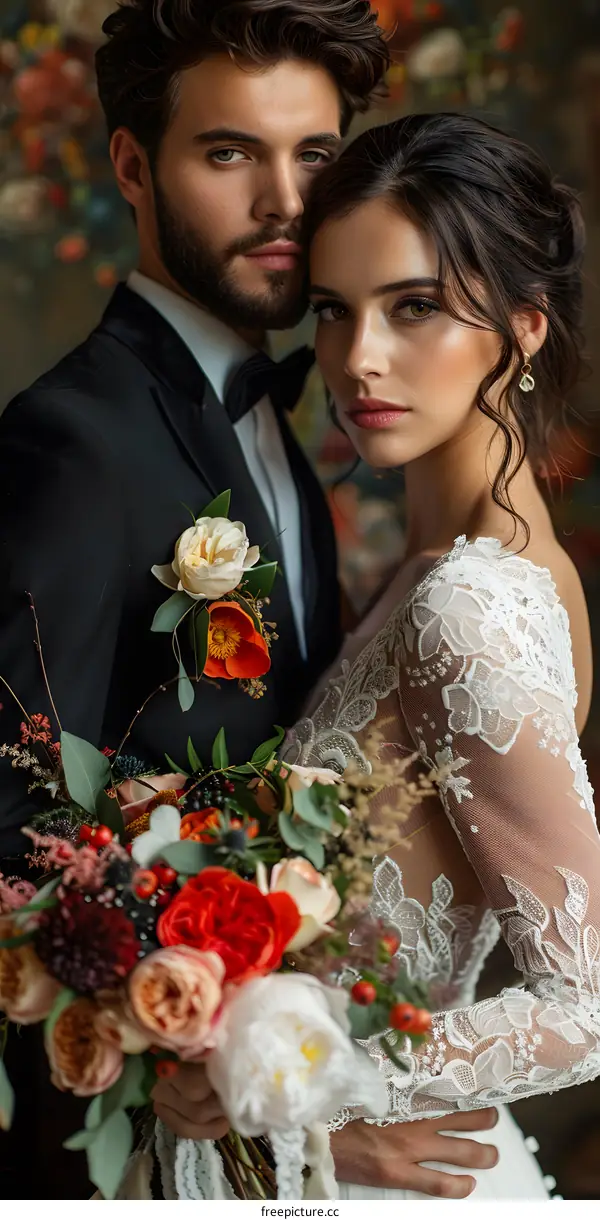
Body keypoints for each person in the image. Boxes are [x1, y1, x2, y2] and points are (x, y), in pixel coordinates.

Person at [0, 2, 499, 1202]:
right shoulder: (70, 448)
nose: (284, 202)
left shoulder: (280, 412)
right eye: (230, 154)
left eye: (314, 155)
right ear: (133, 164)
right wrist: (285, 1121)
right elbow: (12, 860)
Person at [156, 112, 599, 1200]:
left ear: (524, 326)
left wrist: (292, 1085)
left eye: (414, 309)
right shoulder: (437, 570)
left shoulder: (470, 603)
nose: (359, 358)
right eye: (334, 310)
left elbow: (586, 1005)